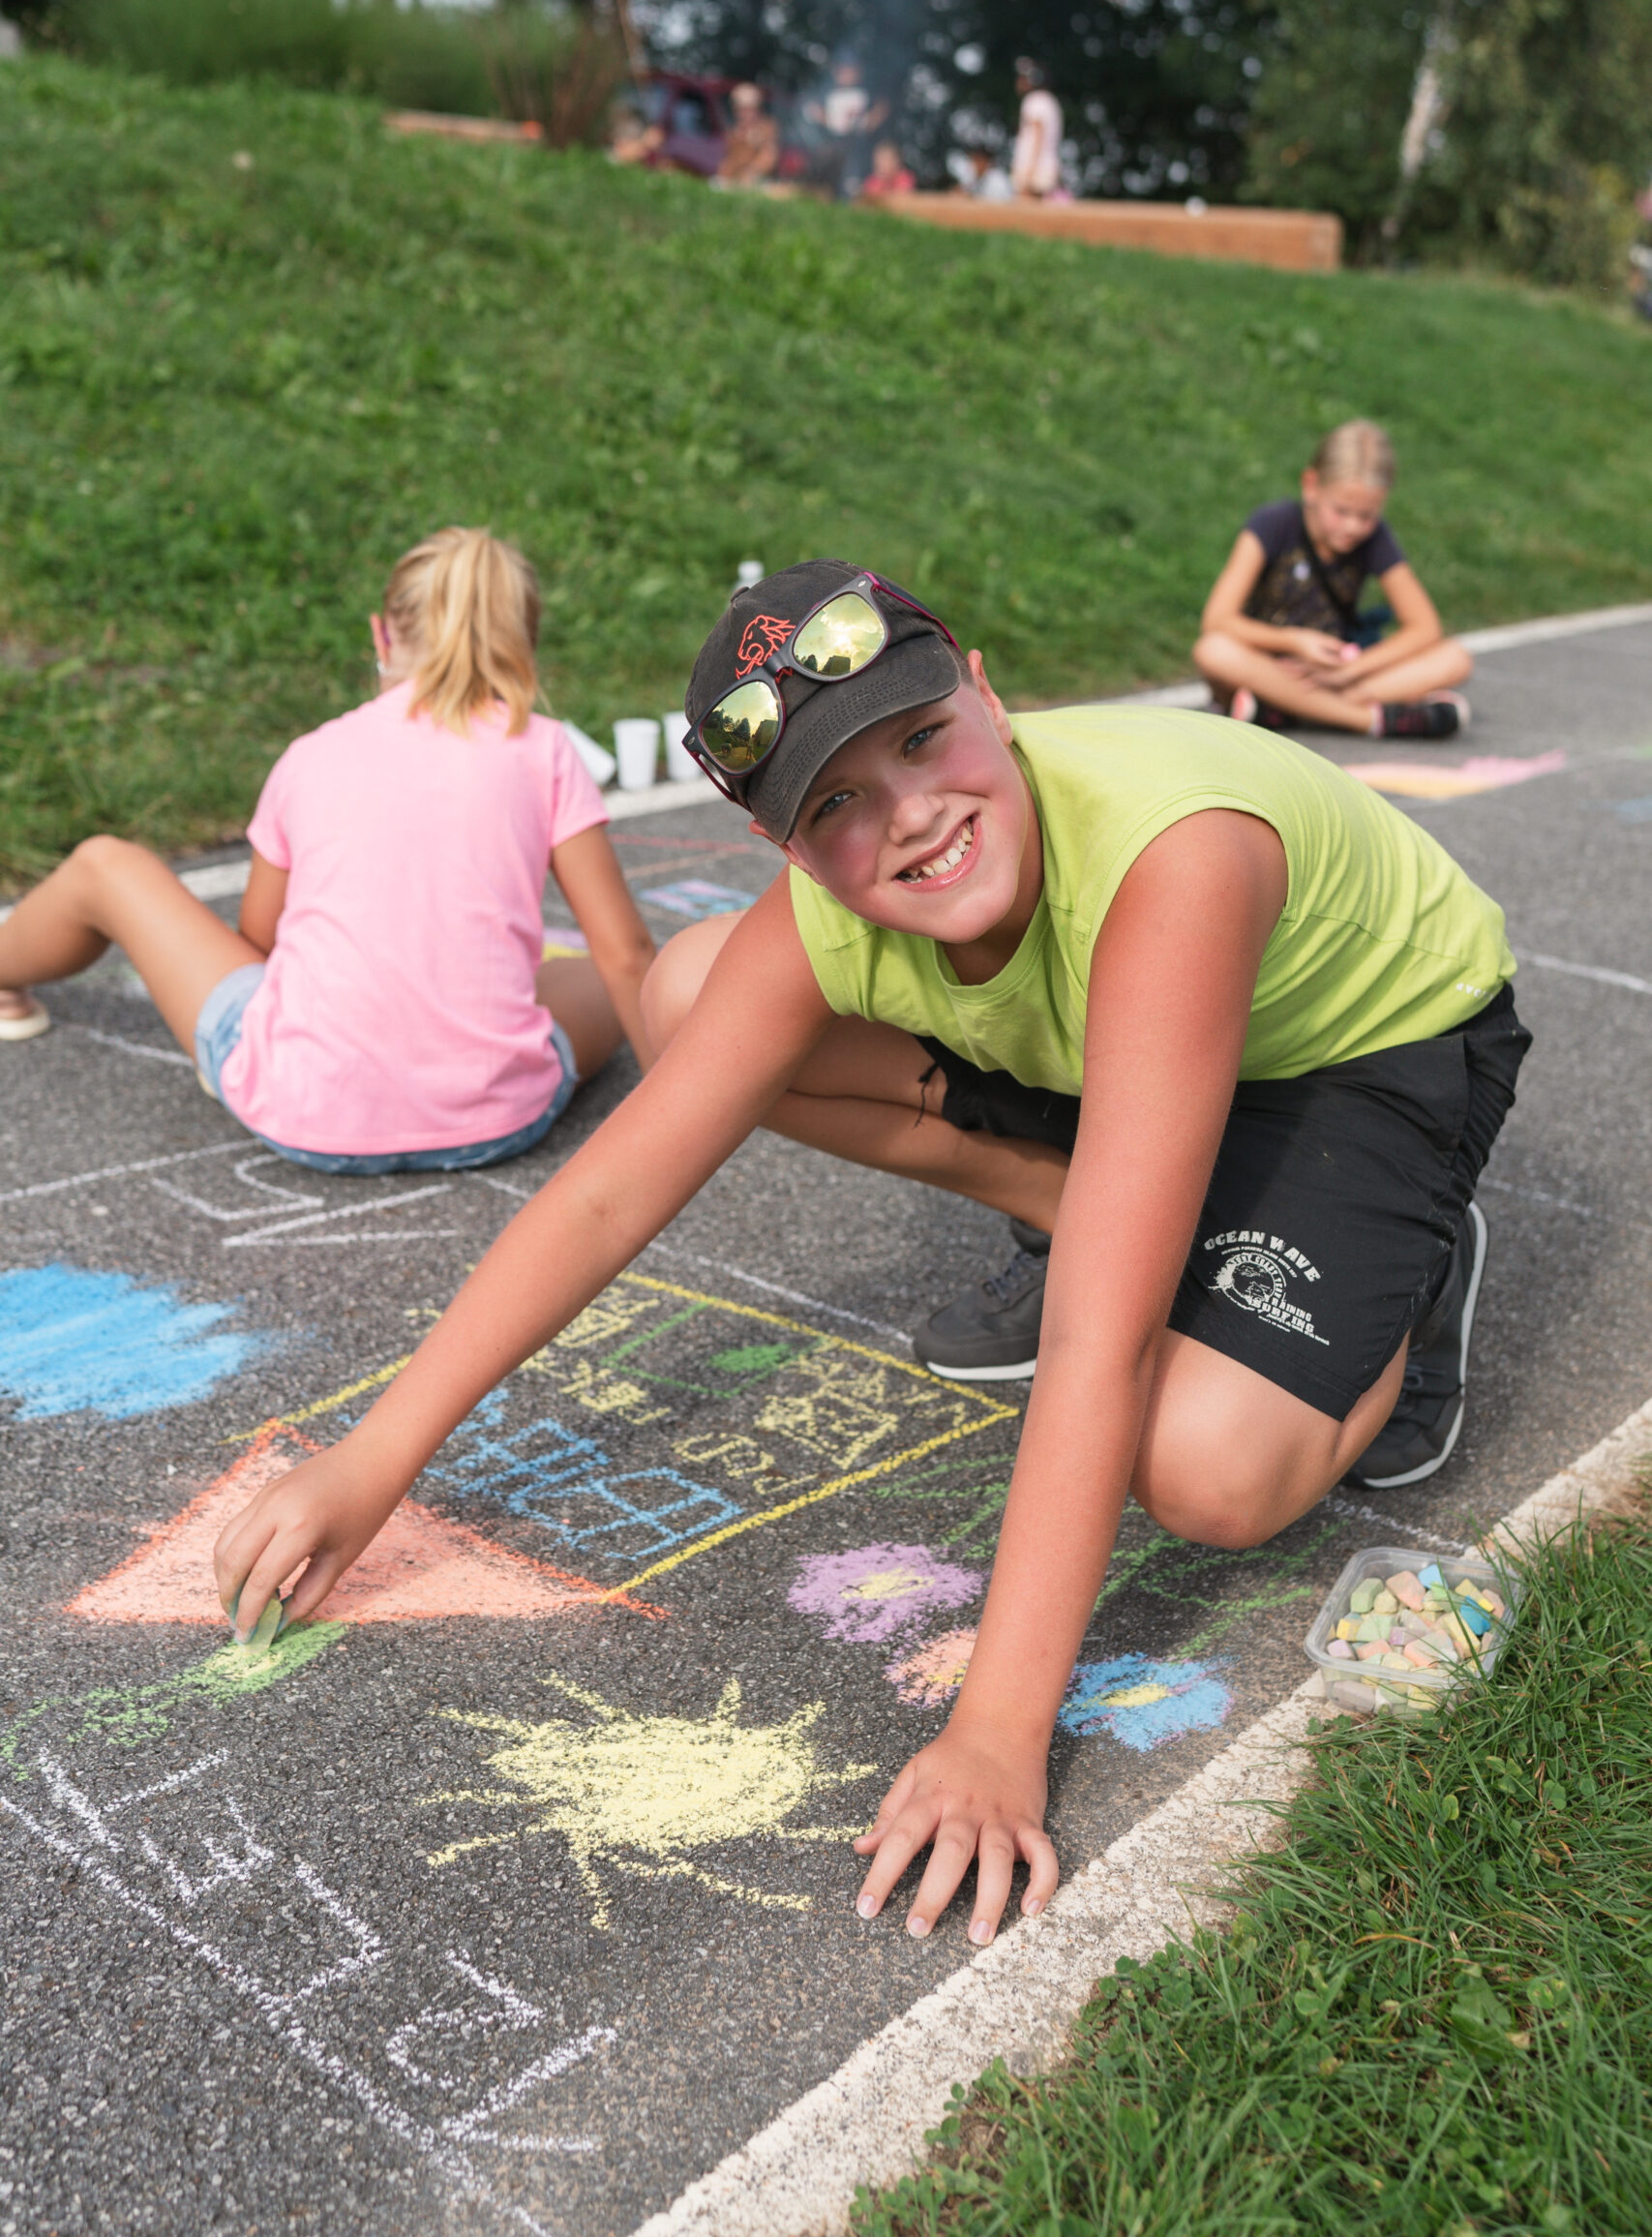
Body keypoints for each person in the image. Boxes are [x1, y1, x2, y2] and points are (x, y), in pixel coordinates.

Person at [215, 560, 1528, 1947]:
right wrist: (376, 1455)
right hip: (1117, 1041)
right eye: (834, 804)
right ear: (783, 847)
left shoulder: (1175, 856)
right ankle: (1103, 1199)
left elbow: (1096, 1343)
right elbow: (606, 1196)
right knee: (689, 996)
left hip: (1353, 1054)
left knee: (1204, 1467)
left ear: (987, 694)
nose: (908, 815)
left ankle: (1406, 1270)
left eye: (921, 738)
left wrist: (996, 1729)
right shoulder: (839, 906)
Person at [0, 529, 656, 1169]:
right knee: (599, 972)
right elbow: (625, 953)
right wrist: (668, 1117)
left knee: (106, 863)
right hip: (502, 1122)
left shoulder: (310, 756)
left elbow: (260, 943)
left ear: (381, 636)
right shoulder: (545, 748)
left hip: (301, 1113)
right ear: (523, 642)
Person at [1195, 420, 1474, 737]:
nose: (1353, 527)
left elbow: (1425, 627)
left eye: (1366, 516)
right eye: (1341, 511)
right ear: (1311, 485)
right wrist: (1293, 641)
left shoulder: (1375, 539)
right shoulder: (1273, 523)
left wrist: (1350, 670)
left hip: (1334, 677)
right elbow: (1217, 620)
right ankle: (1369, 720)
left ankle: (1285, 711)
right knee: (1213, 651)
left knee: (1455, 658)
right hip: (1268, 668)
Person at [804, 52, 886, 196]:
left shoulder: (866, 93)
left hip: (858, 144)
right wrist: (824, 119)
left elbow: (881, 109)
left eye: (851, 70)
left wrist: (870, 121)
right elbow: (813, 112)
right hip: (833, 143)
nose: (847, 74)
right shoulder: (827, 94)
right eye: (844, 70)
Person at [1011, 59, 1065, 200]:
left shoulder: (1034, 101)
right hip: (1046, 165)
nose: (1019, 81)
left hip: (1035, 166)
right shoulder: (1049, 100)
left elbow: (1037, 137)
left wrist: (1030, 170)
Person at [714, 84, 780, 189]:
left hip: (758, 180)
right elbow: (730, 160)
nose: (744, 114)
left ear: (756, 109)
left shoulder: (766, 128)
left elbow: (769, 155)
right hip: (735, 179)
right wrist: (724, 174)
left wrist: (752, 172)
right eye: (740, 110)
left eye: (749, 109)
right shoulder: (734, 132)